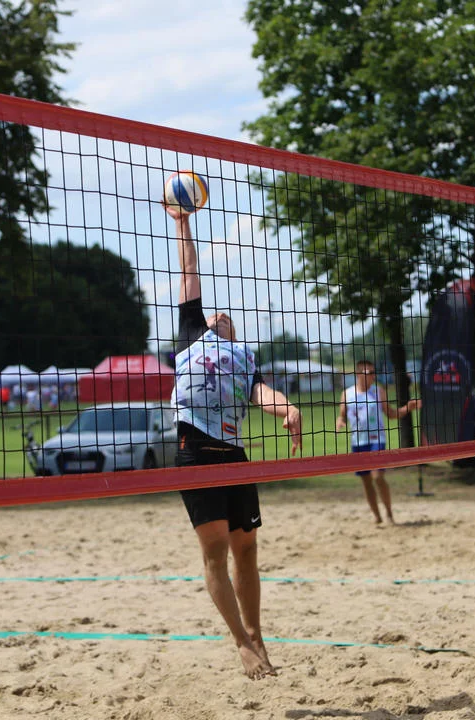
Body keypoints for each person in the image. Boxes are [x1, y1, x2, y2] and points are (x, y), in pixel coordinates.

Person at [166, 202, 303, 680]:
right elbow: (188, 269)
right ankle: (241, 643)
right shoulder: (190, 336)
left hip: (236, 457)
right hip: (196, 452)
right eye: (215, 314)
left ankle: (257, 632)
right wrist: (184, 224)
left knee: (248, 550)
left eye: (229, 316)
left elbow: (261, 393)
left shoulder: (242, 357)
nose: (222, 314)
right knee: (216, 551)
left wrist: (287, 408)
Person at [335, 360, 421, 524]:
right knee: (366, 480)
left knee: (377, 476)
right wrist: (340, 420)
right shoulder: (347, 394)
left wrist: (408, 408)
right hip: (358, 442)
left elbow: (391, 414)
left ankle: (389, 513)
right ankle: (377, 515)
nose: (373, 376)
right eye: (370, 373)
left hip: (377, 439)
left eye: (374, 372)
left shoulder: (378, 391)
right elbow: (342, 414)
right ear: (359, 374)